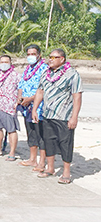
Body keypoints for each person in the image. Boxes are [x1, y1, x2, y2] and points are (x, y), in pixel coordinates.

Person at [32, 48, 82, 184]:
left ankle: (66, 172)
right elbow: (40, 92)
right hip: (47, 114)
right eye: (50, 57)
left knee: (65, 143)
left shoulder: (72, 74)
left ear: (62, 59)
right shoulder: (45, 73)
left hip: (64, 115)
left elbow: (77, 96)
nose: (50, 59)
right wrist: (35, 109)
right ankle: (50, 168)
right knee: (49, 141)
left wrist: (74, 117)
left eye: (54, 57)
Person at [17, 44, 49, 171]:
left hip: (40, 108)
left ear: (39, 55)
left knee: (41, 134)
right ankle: (32, 159)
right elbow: (21, 84)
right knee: (31, 133)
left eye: (33, 54)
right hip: (26, 108)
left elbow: (44, 89)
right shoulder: (27, 69)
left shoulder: (45, 69)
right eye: (28, 54)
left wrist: (30, 99)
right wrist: (20, 97)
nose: (30, 56)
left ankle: (42, 162)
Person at [0, 55, 20, 160]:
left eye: (6, 62)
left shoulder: (15, 75)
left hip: (9, 106)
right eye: (2, 62)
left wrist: (18, 102)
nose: (4, 64)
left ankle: (12, 152)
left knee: (11, 130)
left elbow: (20, 89)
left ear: (10, 63)